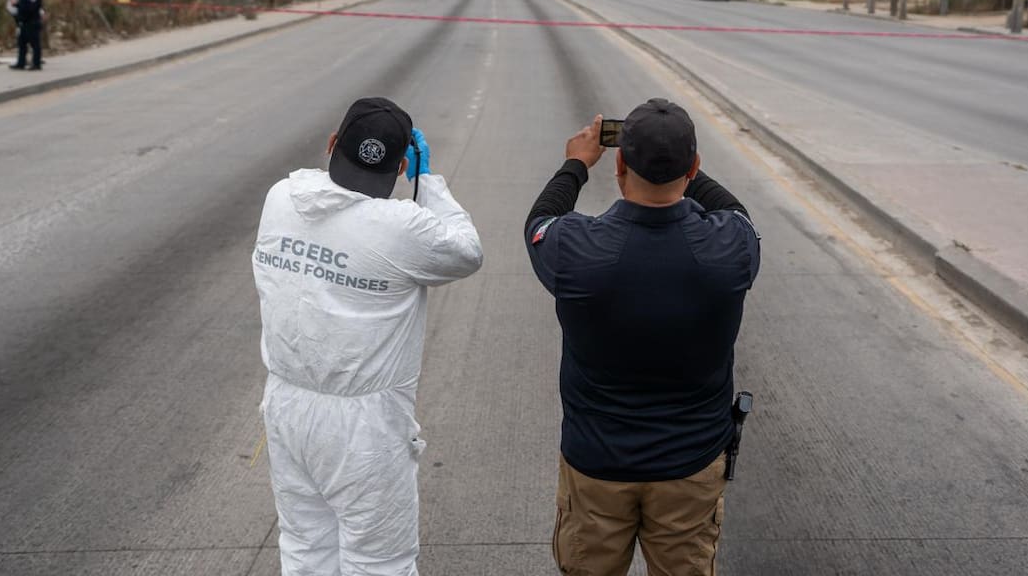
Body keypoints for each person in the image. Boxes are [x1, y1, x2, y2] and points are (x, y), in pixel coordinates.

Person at [524, 98, 761, 576]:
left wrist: (575, 163)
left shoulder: (576, 250)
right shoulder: (730, 249)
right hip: (690, 466)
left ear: (619, 163)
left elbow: (540, 221)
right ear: (693, 166)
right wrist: (684, 164)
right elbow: (736, 211)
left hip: (596, 464)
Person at [252, 96, 483, 576]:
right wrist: (426, 181)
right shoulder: (398, 227)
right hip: (364, 426)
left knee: (305, 550)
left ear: (333, 144)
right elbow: (466, 251)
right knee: (380, 563)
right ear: (399, 167)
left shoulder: (281, 198)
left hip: (287, 408)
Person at [10, 0, 45, 71]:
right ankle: (21, 62)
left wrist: (17, 4)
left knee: (35, 44)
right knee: (21, 44)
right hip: (24, 23)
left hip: (32, 23)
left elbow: (30, 9)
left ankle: (36, 64)